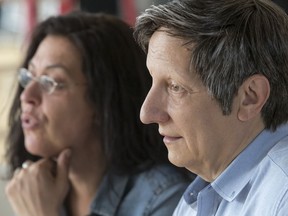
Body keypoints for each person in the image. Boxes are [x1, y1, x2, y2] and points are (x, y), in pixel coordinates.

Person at [4, 11, 191, 216]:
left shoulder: (163, 198)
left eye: (50, 82)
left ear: (104, 102)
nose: (27, 96)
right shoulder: (37, 188)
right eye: (28, 76)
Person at [133, 0, 288, 215]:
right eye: (153, 80)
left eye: (175, 87)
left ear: (249, 97)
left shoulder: (282, 196)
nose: (147, 113)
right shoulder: (195, 199)